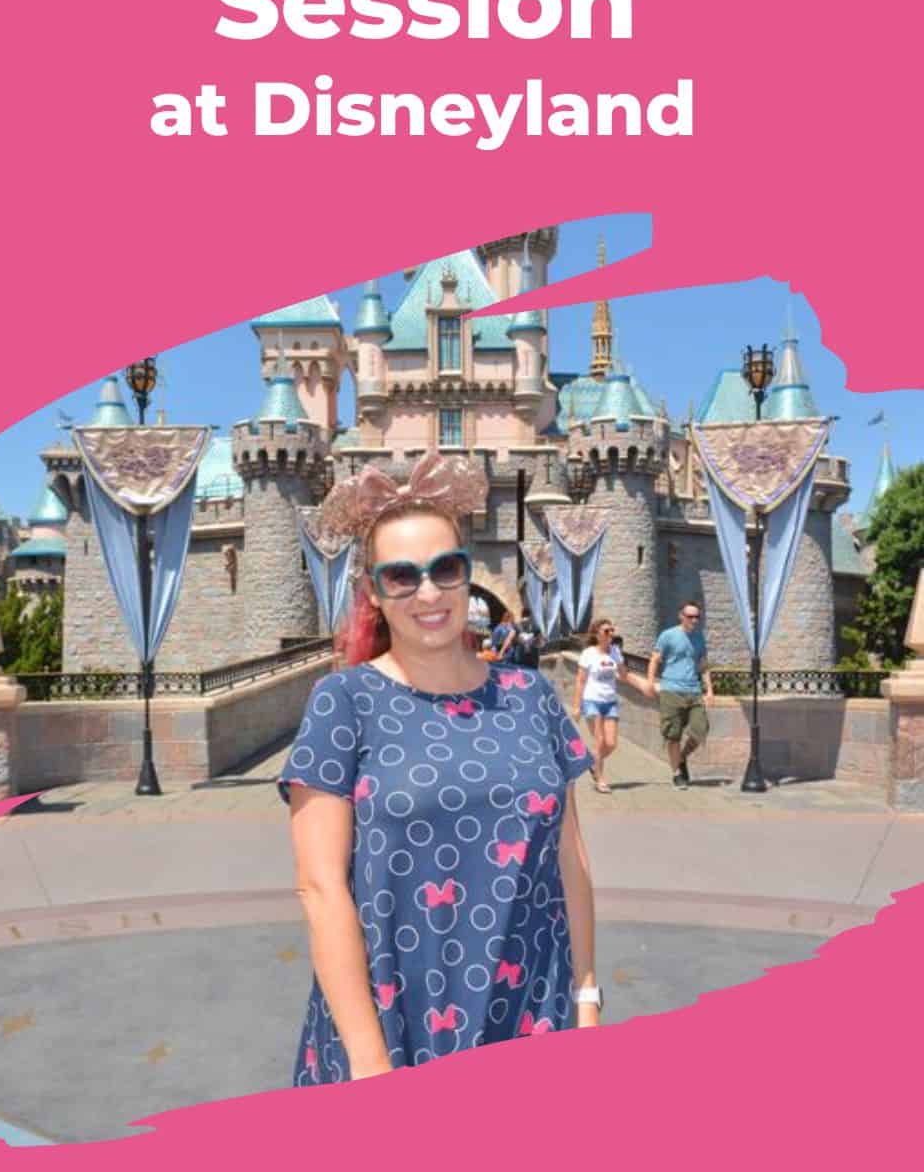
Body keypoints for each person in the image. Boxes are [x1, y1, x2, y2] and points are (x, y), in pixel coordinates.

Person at [278, 452, 602, 1087]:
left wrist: (586, 995)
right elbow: (321, 890)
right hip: (395, 1022)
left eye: (445, 569)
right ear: (373, 590)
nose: (428, 592)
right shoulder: (344, 703)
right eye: (402, 576)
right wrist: (371, 1064)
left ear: (466, 575)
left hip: (531, 1005)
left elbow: (569, 855)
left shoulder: (530, 696)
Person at [573, 617, 654, 794]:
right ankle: (600, 779)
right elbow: (580, 680)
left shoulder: (615, 652)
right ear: (597, 634)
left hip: (610, 702)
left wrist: (642, 685)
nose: (611, 634)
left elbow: (624, 675)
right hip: (592, 700)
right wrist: (576, 706)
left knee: (611, 744)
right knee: (600, 741)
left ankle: (593, 764)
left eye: (612, 630)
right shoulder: (588, 653)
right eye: (606, 631)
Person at [647, 601, 714, 789]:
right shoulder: (668, 635)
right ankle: (677, 773)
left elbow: (702, 664)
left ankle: (682, 758)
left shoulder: (699, 637)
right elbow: (655, 659)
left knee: (701, 729)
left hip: (694, 691)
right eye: (690, 616)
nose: (694, 620)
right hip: (671, 690)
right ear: (681, 616)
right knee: (673, 735)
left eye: (697, 617)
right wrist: (651, 683)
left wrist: (709, 690)